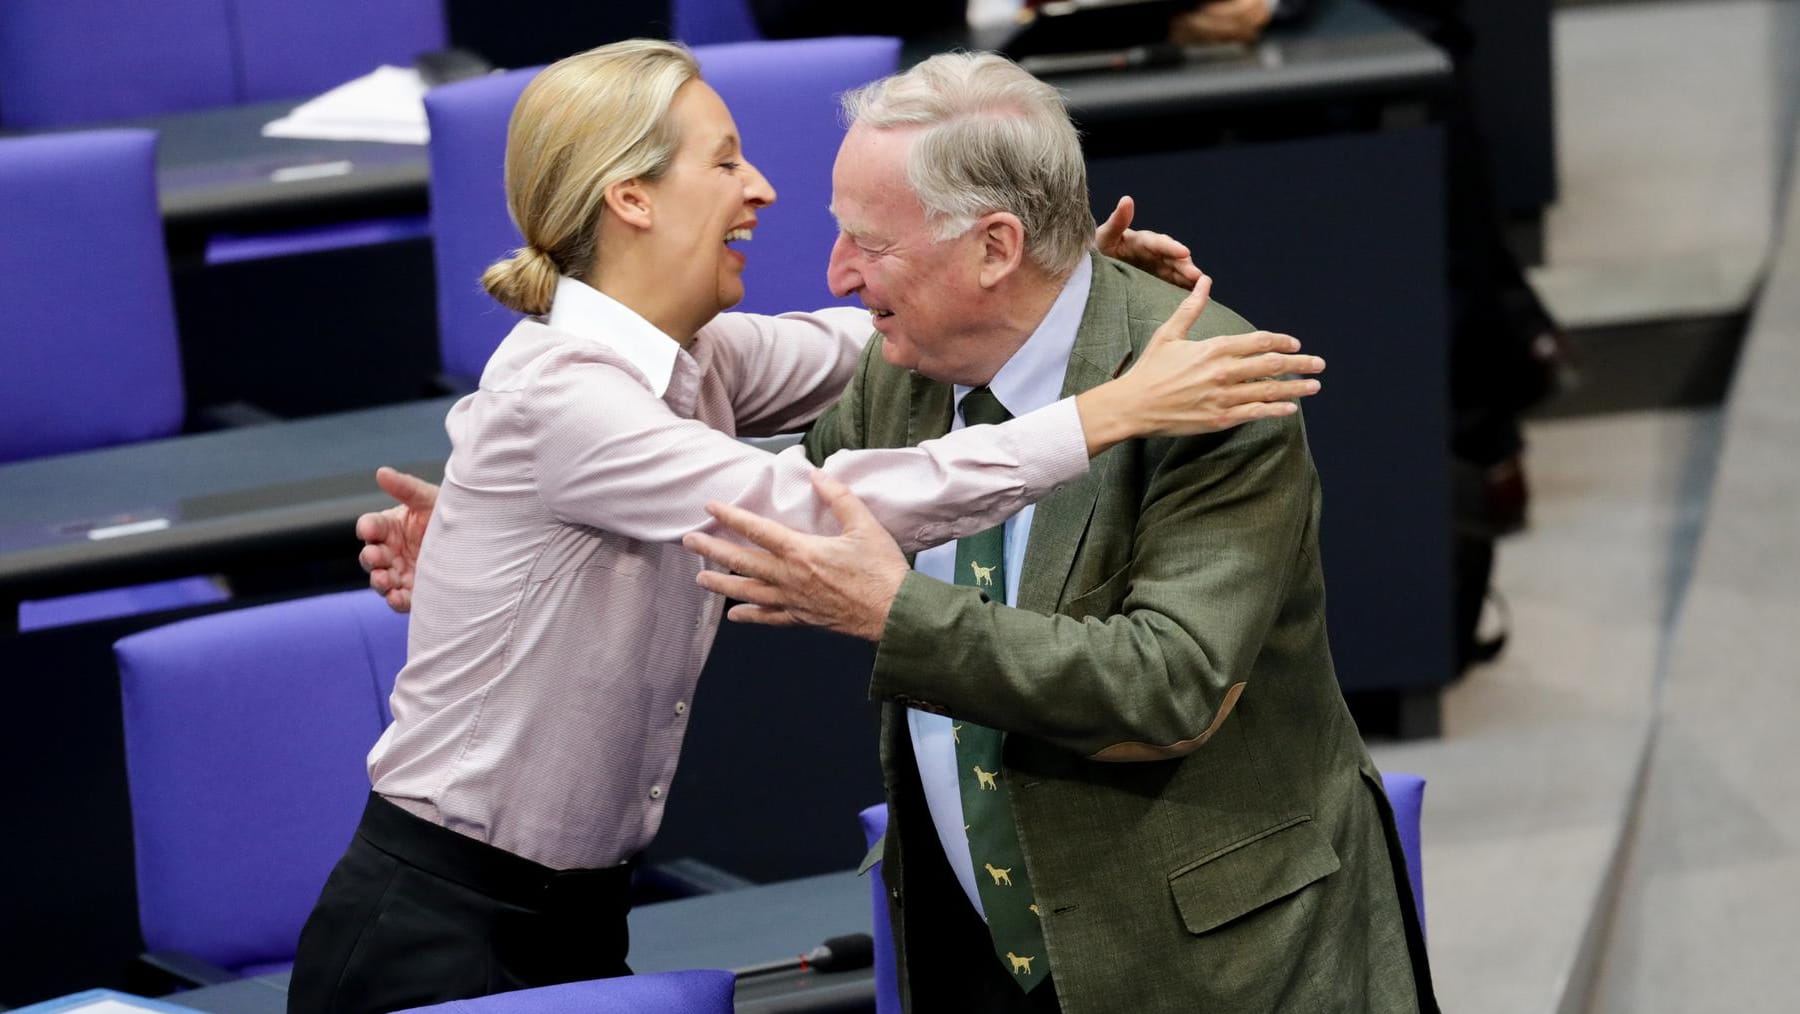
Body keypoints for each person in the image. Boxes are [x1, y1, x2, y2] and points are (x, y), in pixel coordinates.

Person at [297, 39, 1325, 1014]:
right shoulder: (563, 398)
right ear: (632, 197)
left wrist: (1053, 284)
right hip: (439, 921)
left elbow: (893, 328)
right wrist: (1103, 413)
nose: (762, 190)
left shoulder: (702, 359)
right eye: (727, 160)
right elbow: (822, 516)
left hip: (576, 911)